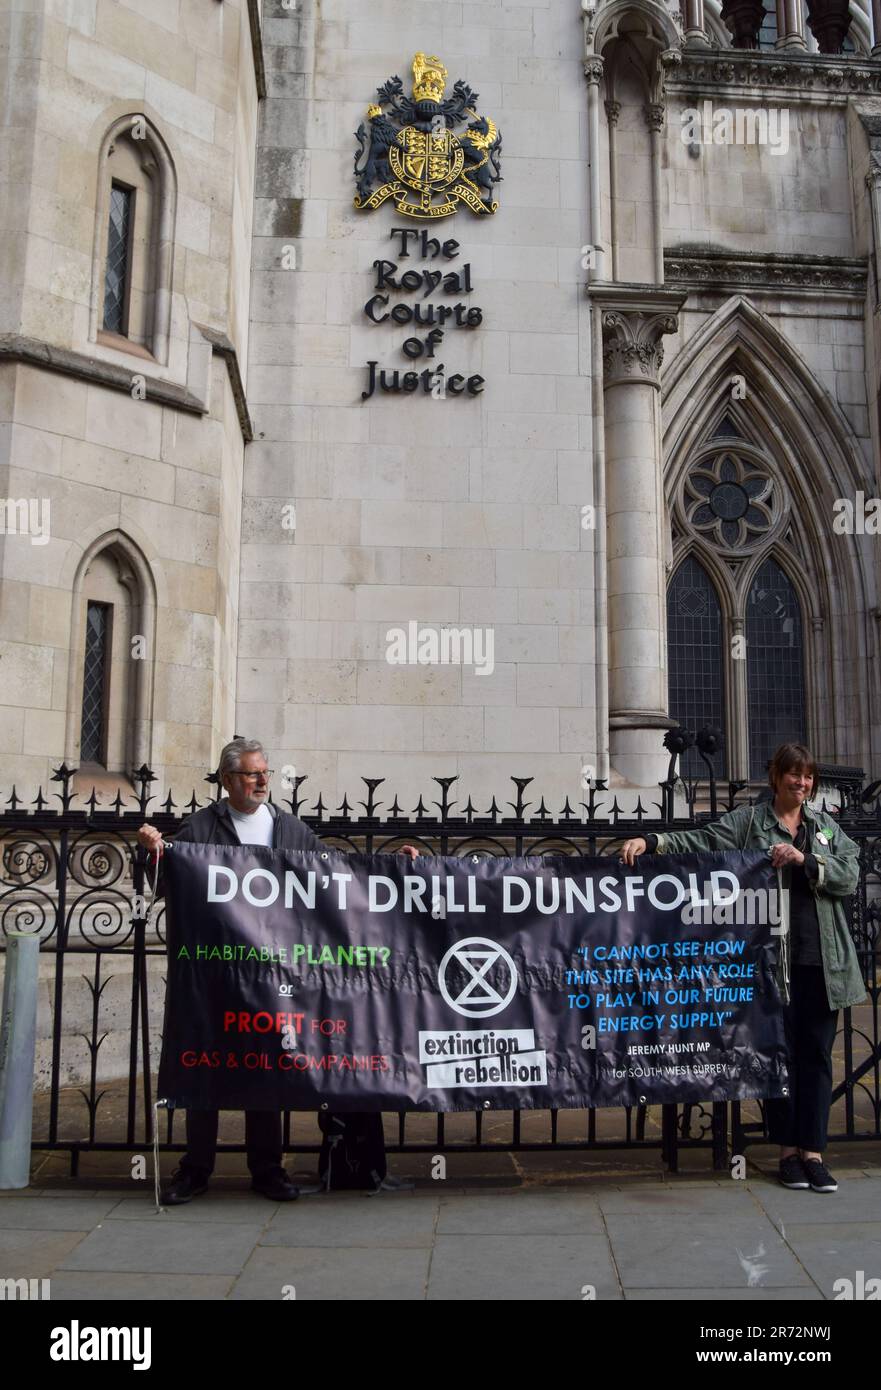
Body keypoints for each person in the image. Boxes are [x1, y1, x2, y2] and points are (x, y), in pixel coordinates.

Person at [138, 737, 418, 1204]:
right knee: (205, 1063)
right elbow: (167, 882)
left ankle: (266, 1168)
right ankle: (195, 1168)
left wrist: (393, 864)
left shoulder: (288, 830)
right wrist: (153, 852)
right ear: (228, 780)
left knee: (264, 1064)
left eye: (265, 772)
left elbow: (336, 875)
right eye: (251, 773)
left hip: (269, 974)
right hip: (215, 972)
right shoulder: (203, 827)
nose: (263, 780)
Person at [620, 742, 865, 1194]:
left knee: (816, 1058)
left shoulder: (823, 826)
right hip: (771, 965)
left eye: (808, 777)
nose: (802, 783)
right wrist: (651, 841)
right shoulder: (751, 823)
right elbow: (703, 840)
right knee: (781, 1058)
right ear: (776, 777)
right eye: (794, 775)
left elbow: (850, 873)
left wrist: (807, 861)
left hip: (823, 964)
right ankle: (788, 1153)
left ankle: (814, 1152)